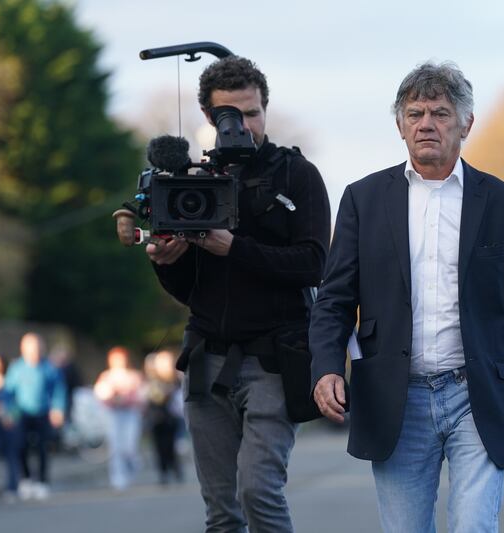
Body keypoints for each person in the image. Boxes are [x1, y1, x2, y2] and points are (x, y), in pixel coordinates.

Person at [310, 61, 504, 533]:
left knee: (473, 527)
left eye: (441, 113)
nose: (427, 123)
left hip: (477, 396)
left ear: (466, 123)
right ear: (401, 125)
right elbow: (335, 298)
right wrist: (325, 368)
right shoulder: (363, 200)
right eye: (415, 112)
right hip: (395, 399)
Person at [145, 55, 330, 532]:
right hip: (207, 358)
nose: (243, 125)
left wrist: (236, 248)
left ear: (265, 108)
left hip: (274, 357)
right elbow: (191, 290)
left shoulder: (296, 175)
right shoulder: (193, 181)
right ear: (209, 116)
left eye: (252, 113)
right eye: (231, 114)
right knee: (222, 510)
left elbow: (315, 263)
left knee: (258, 491)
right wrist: (167, 263)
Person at [4, 332, 66, 501]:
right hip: (22, 413)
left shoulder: (49, 368)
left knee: (42, 447)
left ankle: (42, 481)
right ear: (23, 349)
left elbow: (58, 390)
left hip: (43, 412)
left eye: (37, 348)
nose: (34, 352)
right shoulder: (17, 368)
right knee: (20, 446)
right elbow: (9, 393)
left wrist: (57, 409)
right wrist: (9, 412)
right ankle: (25, 479)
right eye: (30, 348)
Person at [93, 346, 144, 490]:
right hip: (113, 414)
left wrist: (129, 396)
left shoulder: (133, 376)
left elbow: (142, 397)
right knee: (115, 446)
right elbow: (100, 395)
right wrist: (111, 396)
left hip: (130, 414)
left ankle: (131, 466)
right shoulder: (106, 377)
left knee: (129, 445)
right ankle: (118, 477)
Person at [143, 350, 184, 485]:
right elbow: (150, 398)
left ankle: (176, 469)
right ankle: (163, 472)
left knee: (171, 445)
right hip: (156, 419)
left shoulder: (175, 379)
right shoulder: (151, 381)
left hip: (170, 418)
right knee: (159, 447)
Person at [0, 353, 18, 502]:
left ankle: (12, 488)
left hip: (7, 425)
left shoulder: (9, 383)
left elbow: (14, 405)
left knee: (11, 456)